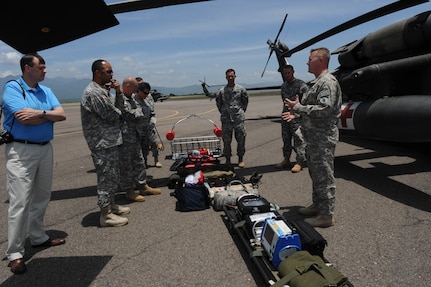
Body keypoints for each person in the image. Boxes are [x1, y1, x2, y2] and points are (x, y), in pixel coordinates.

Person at [1, 53, 67, 274]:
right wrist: (48, 115)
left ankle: (38, 237)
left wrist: (41, 113)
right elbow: (23, 118)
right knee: (20, 202)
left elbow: (61, 115)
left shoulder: (45, 91)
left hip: (44, 148)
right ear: (28, 68)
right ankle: (15, 253)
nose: (45, 70)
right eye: (42, 67)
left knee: (42, 196)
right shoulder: (13, 88)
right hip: (21, 150)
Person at [283, 47, 342, 228]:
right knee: (316, 174)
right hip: (314, 138)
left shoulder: (327, 82)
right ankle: (318, 204)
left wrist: (298, 108)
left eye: (310, 59)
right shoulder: (317, 83)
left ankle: (326, 215)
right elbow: (312, 109)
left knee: (324, 175)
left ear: (321, 60)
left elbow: (324, 110)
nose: (307, 62)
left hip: (322, 139)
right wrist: (297, 115)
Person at [81, 59, 130, 228]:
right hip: (101, 142)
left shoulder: (102, 91)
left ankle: (111, 205)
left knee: (113, 175)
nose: (112, 75)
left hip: (109, 141)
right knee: (105, 177)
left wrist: (116, 93)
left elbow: (117, 111)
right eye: (108, 72)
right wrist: (119, 96)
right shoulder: (94, 93)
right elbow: (114, 114)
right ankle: (105, 215)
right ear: (97, 73)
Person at [118, 77, 161, 201]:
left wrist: (151, 122)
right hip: (127, 137)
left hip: (140, 135)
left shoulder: (142, 100)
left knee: (140, 162)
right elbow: (129, 113)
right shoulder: (123, 99)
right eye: (144, 92)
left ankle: (143, 185)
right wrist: (138, 113)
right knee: (127, 165)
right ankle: (129, 190)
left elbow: (150, 113)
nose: (146, 95)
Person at [212, 68, 248, 167]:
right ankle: (228, 159)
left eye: (232, 76)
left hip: (238, 120)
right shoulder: (221, 91)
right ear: (226, 78)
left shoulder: (241, 89)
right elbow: (219, 104)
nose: (230, 78)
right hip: (226, 120)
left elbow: (245, 102)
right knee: (226, 141)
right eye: (228, 77)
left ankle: (240, 159)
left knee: (241, 140)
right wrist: (224, 112)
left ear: (235, 76)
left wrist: (240, 112)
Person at [276, 64, 309, 173]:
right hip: (285, 116)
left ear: (293, 72)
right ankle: (286, 159)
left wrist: (298, 114)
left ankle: (300, 162)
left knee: (299, 140)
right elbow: (284, 101)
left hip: (297, 117)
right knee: (286, 139)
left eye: (288, 73)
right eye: (285, 73)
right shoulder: (283, 86)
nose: (287, 75)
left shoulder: (301, 85)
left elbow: (306, 102)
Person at [135, 77, 162, 168]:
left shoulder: (148, 97)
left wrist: (152, 122)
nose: (146, 95)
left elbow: (152, 112)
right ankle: (144, 164)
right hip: (138, 130)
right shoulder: (132, 99)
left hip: (149, 127)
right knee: (143, 150)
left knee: (154, 143)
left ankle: (156, 160)